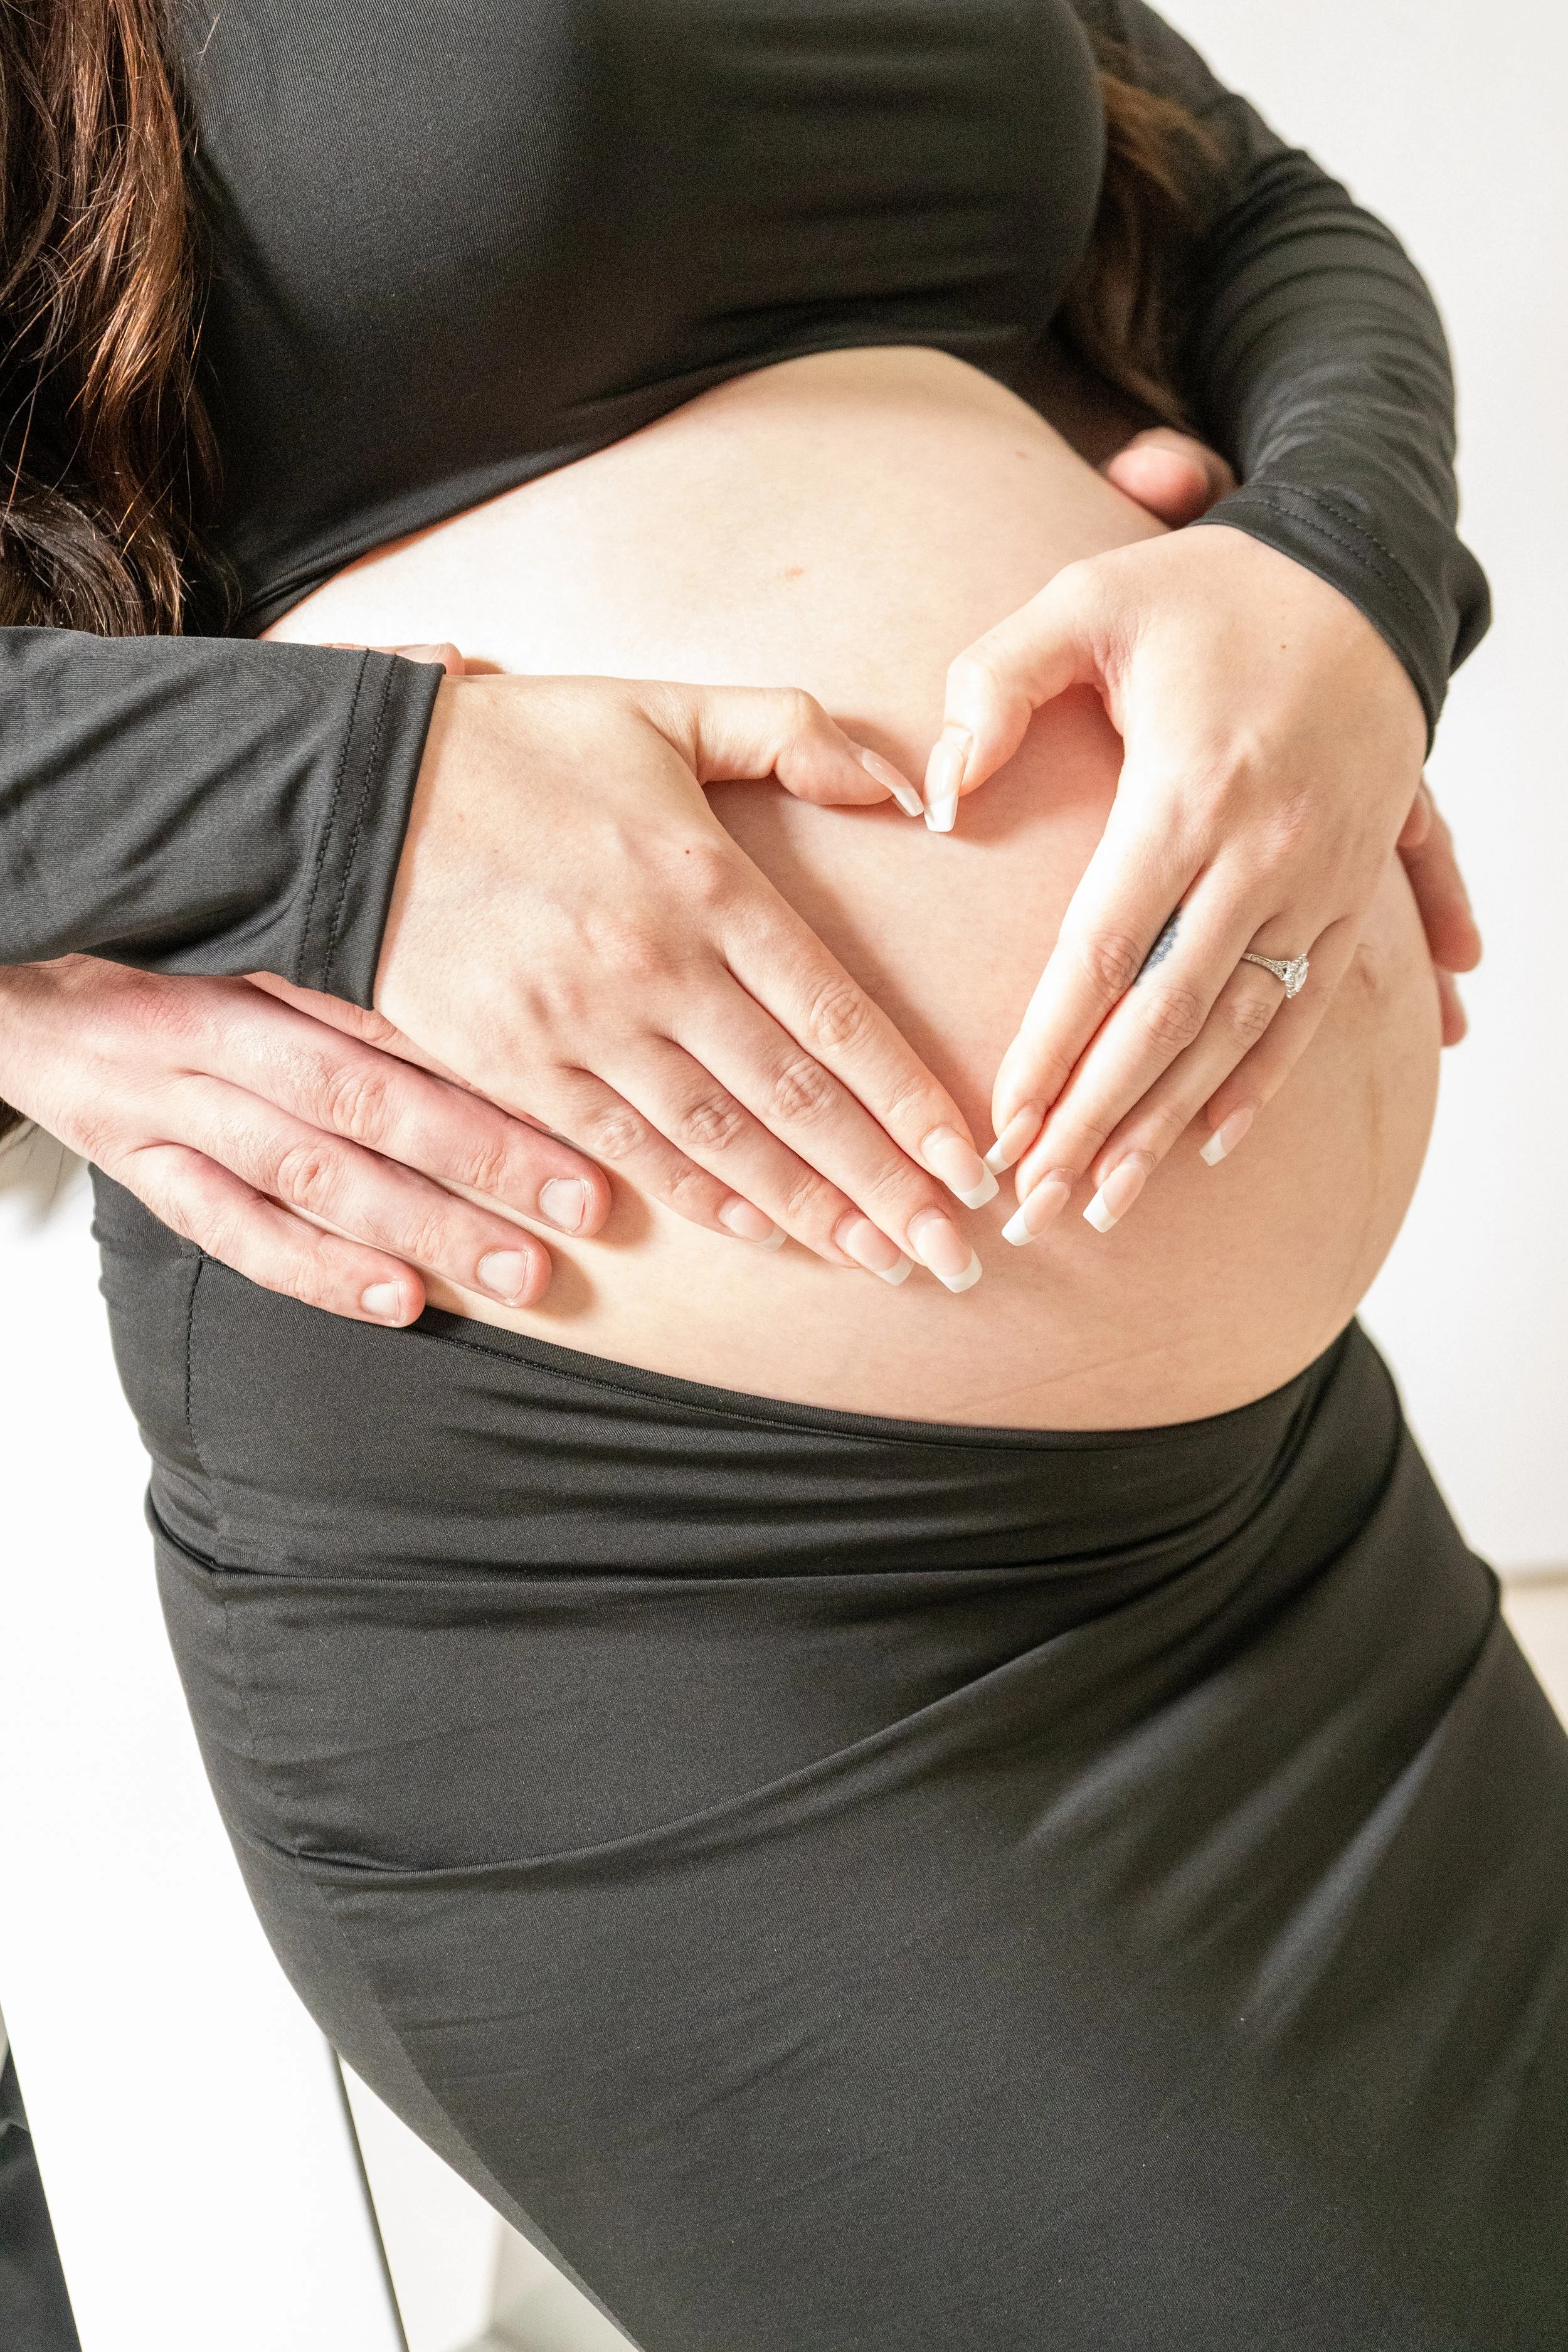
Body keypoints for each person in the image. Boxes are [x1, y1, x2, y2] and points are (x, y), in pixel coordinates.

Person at [4, 4, 1562, 2348]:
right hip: (659, 1593)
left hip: (1264, 1517)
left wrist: (1333, 569)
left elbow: (1253, 210)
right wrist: (332, 801)